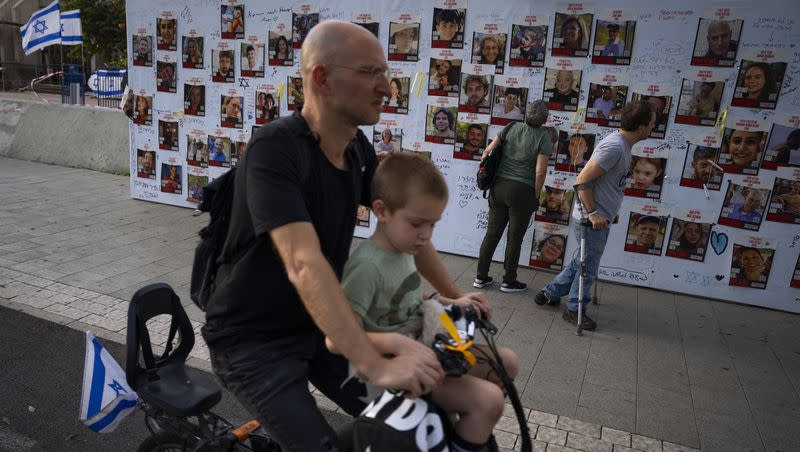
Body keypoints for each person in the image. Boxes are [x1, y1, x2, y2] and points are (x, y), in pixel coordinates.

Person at [202, 21, 477, 450]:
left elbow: (407, 226)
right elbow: (302, 262)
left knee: (413, 417)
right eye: (370, 72)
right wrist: (373, 363)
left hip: (321, 327)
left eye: (385, 74)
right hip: (253, 343)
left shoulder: (357, 150)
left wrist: (455, 296)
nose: (386, 87)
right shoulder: (274, 151)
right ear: (322, 78)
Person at [332, 153, 517, 451]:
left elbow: (409, 295)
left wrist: (452, 301)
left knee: (506, 363)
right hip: (394, 371)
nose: (426, 236)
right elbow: (339, 339)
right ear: (381, 210)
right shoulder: (366, 267)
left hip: (426, 348)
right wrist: (396, 343)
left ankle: (464, 431)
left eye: (433, 224)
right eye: (418, 223)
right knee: (489, 401)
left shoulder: (402, 248)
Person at [535, 100, 656, 330]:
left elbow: (605, 182)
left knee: (582, 259)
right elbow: (582, 180)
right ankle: (574, 309)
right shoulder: (615, 147)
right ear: (641, 127)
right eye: (651, 124)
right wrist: (593, 213)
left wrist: (609, 207)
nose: (653, 128)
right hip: (591, 218)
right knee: (587, 266)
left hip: (598, 215)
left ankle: (550, 293)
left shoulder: (621, 145)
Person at [475, 101, 551, 292]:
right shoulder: (544, 137)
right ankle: (509, 281)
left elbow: (487, 152)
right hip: (523, 191)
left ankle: (481, 277)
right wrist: (535, 195)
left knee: (491, 234)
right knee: (514, 239)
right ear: (545, 119)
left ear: (525, 114)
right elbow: (540, 172)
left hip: (498, 187)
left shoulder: (510, 127)